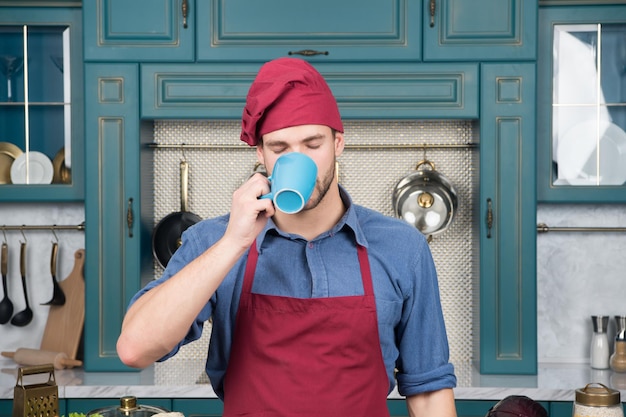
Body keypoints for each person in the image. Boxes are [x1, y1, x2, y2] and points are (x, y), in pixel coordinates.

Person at [116, 57, 457, 417]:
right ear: (261, 153)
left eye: (313, 144)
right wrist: (234, 243)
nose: (299, 159)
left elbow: (430, 390)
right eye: (280, 149)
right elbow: (135, 349)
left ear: (338, 143)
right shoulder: (215, 241)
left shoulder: (402, 247)